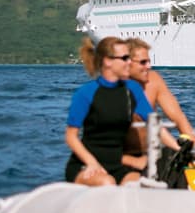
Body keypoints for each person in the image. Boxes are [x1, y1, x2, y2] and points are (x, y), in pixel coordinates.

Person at [65, 36, 171, 186]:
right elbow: (71, 137)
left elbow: (155, 125)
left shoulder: (132, 90)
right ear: (108, 61)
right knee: (108, 183)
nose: (130, 62)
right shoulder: (86, 93)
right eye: (125, 58)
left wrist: (178, 149)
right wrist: (92, 163)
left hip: (117, 166)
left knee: (140, 184)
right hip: (86, 165)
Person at [125, 37, 195, 139]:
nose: (149, 66)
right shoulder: (112, 86)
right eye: (143, 62)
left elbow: (178, 117)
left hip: (151, 147)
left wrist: (191, 140)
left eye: (149, 61)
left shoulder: (154, 80)